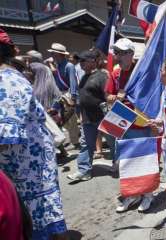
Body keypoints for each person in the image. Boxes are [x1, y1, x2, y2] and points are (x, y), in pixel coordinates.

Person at [0, 28, 67, 240]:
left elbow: (6, 133)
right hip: (21, 165)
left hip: (28, 166)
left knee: (40, 217)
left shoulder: (8, 81)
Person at [105, 38, 154, 212]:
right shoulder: (115, 73)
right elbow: (108, 94)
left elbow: (151, 95)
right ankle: (132, 195)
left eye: (121, 53)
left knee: (144, 160)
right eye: (116, 52)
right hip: (121, 120)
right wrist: (111, 97)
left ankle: (147, 195)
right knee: (126, 161)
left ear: (131, 54)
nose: (117, 56)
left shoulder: (141, 71)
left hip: (141, 121)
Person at [67, 49, 110, 181]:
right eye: (79, 61)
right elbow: (84, 98)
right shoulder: (84, 77)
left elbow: (108, 97)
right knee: (86, 144)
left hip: (103, 118)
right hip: (87, 118)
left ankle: (121, 166)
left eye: (83, 61)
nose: (80, 64)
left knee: (114, 143)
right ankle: (84, 171)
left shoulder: (102, 77)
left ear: (93, 62)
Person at [47, 42, 80, 150]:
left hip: (67, 94)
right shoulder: (58, 65)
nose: (52, 56)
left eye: (54, 54)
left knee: (71, 119)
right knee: (63, 119)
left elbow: (73, 82)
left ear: (59, 54)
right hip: (59, 94)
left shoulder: (69, 66)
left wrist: (73, 97)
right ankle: (72, 139)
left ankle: (75, 141)